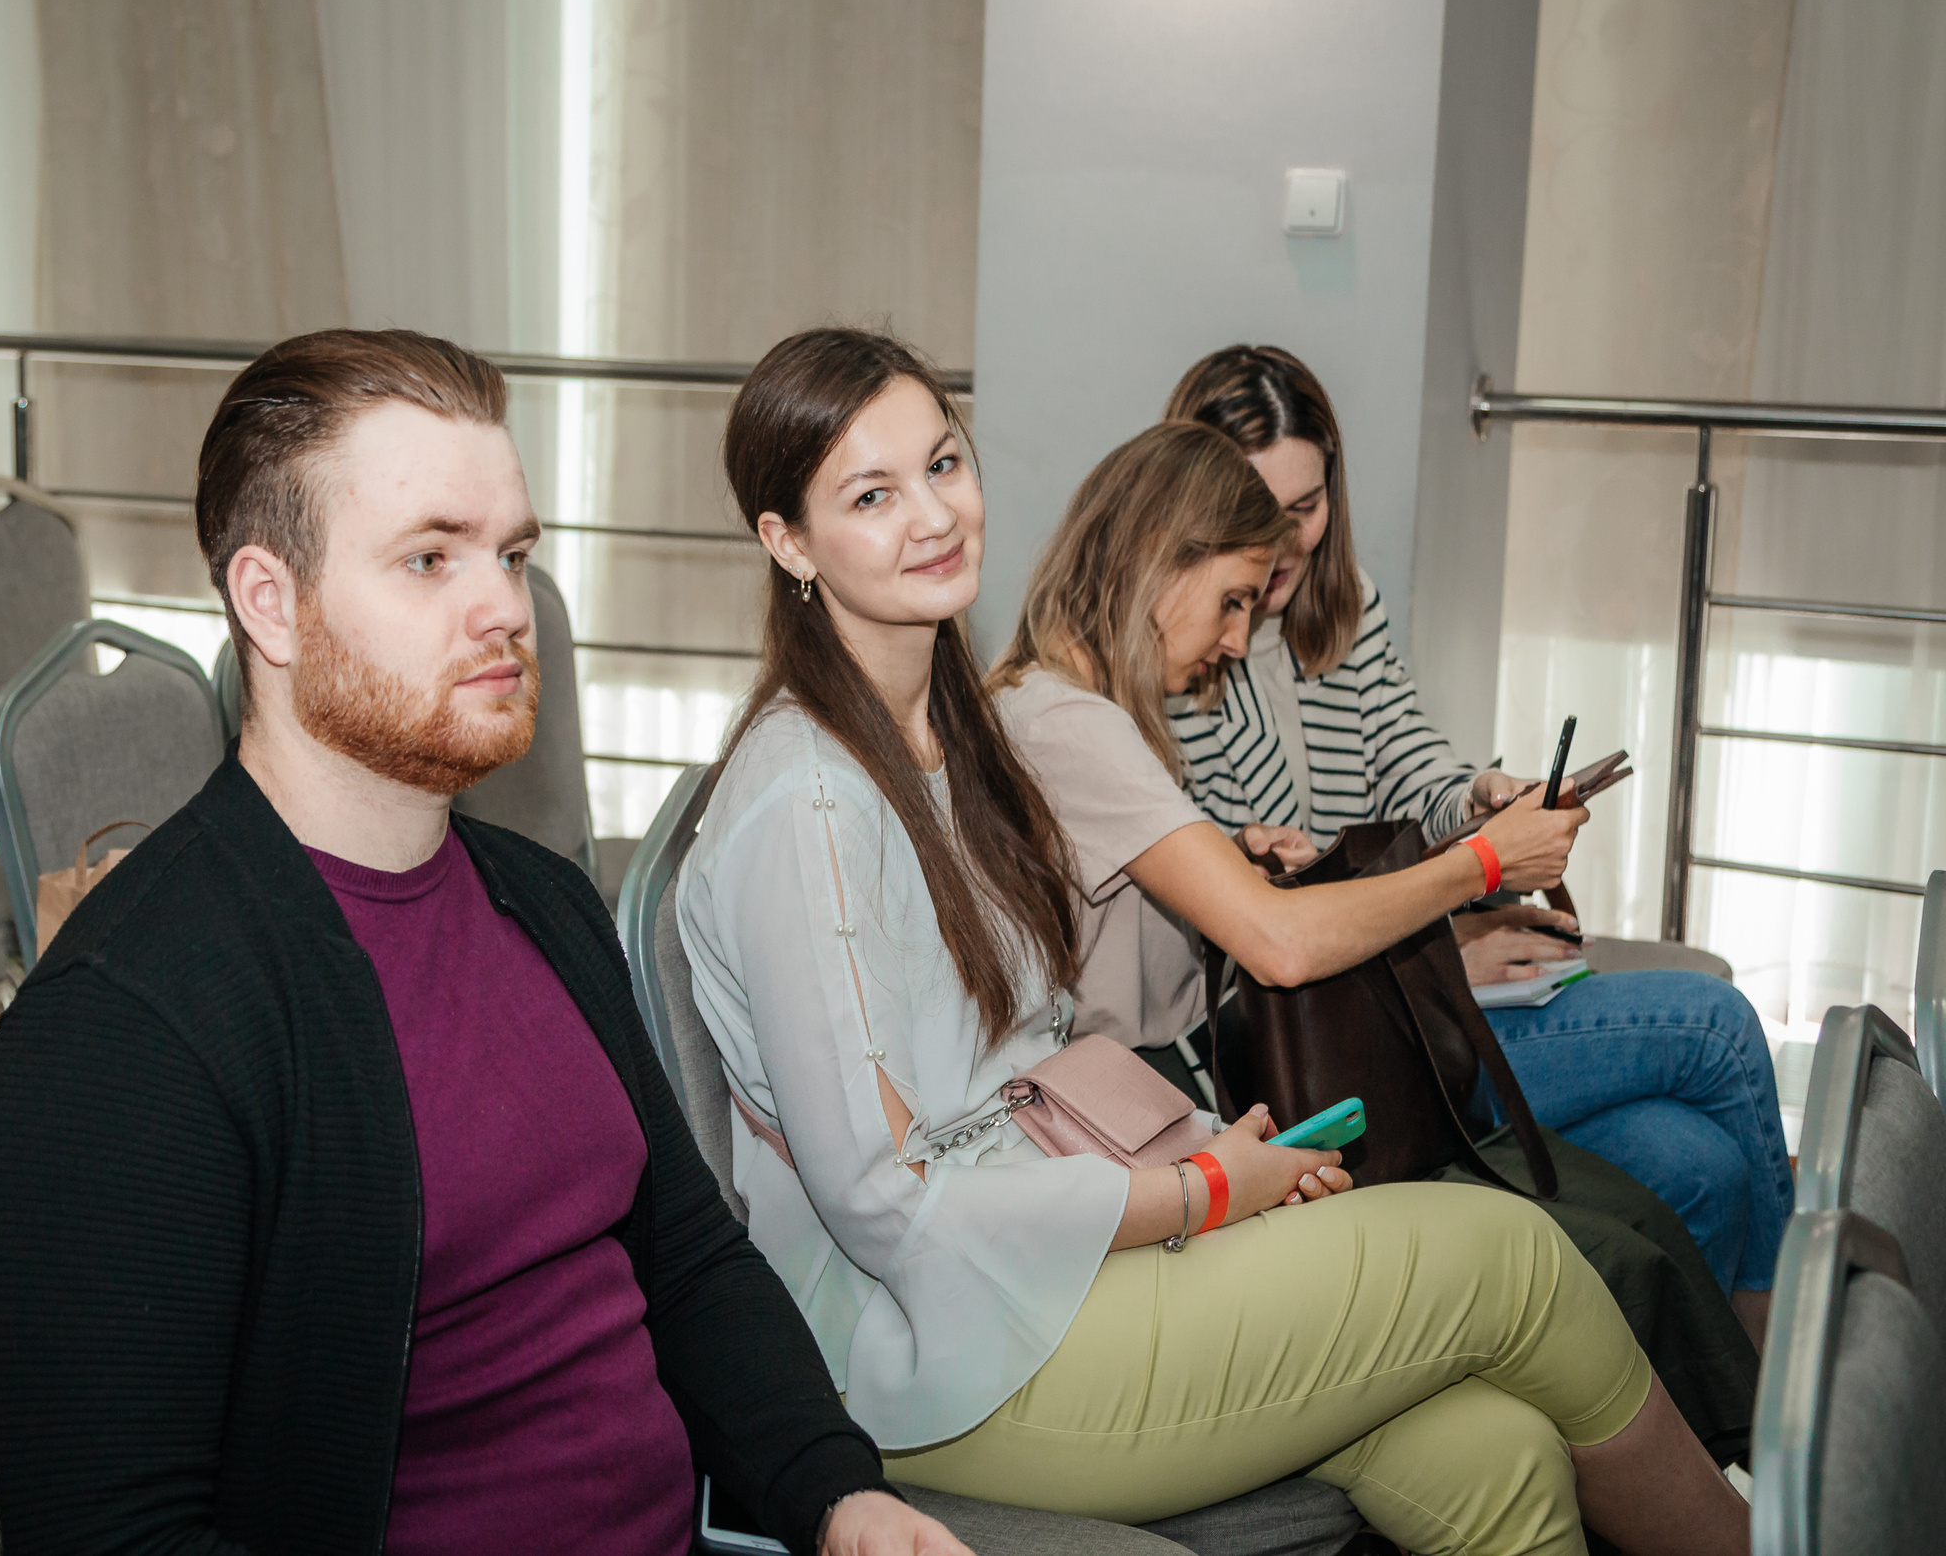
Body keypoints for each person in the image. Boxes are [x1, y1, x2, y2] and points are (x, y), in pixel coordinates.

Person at [678, 326, 1749, 1555]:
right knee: (1516, 1258)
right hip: (941, 1349)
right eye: (872, 495)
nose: (932, 514)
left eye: (943, 463)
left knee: (1492, 1450)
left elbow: (1022, 1062)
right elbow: (888, 1202)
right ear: (788, 541)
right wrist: (1188, 1195)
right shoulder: (806, 798)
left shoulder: (947, 729)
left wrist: (1205, 1157)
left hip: (1038, 1262)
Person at [0, 328, 966, 1556]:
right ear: (269, 602)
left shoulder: (539, 899)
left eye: (510, 552)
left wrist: (835, 1491)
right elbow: (113, 1536)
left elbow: (687, 1253)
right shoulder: (130, 1017)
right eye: (429, 558)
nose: (503, 604)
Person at [990, 420, 1757, 1458]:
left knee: (1668, 1182)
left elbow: (1135, 897)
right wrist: (1480, 866)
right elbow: (1281, 948)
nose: (1231, 640)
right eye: (1227, 601)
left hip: (1196, 1084)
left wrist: (1226, 849)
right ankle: (1751, 1457)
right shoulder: (1069, 720)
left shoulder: (1065, 711)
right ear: (1157, 556)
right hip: (1176, 1101)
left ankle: (1744, 1448)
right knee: (1605, 1228)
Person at [1164, 344, 1793, 1337]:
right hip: (1327, 1034)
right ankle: (1787, 1367)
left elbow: (1414, 771)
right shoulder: (1178, 650)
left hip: (1404, 991)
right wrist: (1455, 936)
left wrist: (1482, 797)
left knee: (1696, 1165)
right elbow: (1258, 917)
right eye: (1259, 508)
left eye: (1308, 504)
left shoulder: (1344, 605)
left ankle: (1699, 1422)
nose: (1286, 542)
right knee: (1714, 1025)